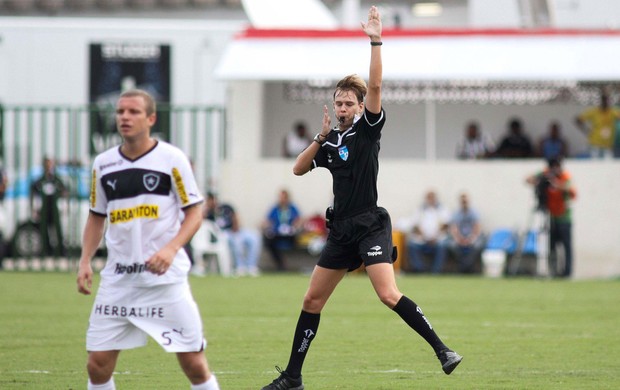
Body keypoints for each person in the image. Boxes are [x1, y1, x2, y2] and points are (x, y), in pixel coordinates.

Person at [261, 7, 462, 390]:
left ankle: (442, 350)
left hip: (370, 224)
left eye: (348, 104)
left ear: (359, 106)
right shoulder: (331, 141)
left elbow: (376, 87)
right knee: (311, 302)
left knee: (387, 294)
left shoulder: (367, 131)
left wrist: (375, 40)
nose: (342, 109)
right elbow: (298, 169)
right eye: (338, 103)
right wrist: (319, 136)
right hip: (341, 230)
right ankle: (292, 377)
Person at [76, 89, 220, 390]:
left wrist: (170, 249)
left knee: (194, 363)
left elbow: (195, 212)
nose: (124, 117)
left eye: (133, 112)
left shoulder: (172, 159)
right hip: (119, 281)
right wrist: (85, 260)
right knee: (97, 364)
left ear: (151, 118)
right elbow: (96, 216)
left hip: (165, 283)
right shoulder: (103, 164)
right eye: (120, 112)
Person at [526, 158, 577, 278]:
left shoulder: (565, 176)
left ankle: (567, 272)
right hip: (551, 217)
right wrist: (542, 178)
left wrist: (556, 183)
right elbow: (528, 180)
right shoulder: (545, 174)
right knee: (552, 246)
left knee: (566, 246)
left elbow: (572, 192)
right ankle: (553, 271)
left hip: (564, 217)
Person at [205, 192, 261, 277]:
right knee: (236, 242)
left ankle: (251, 266)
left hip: (236, 230)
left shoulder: (226, 207)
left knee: (254, 237)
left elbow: (236, 217)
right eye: (210, 200)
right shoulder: (209, 214)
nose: (213, 202)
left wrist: (236, 228)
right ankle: (240, 266)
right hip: (223, 234)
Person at [30, 156, 68, 256]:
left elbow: (64, 191)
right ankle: (46, 251)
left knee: (57, 230)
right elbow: (34, 193)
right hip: (44, 209)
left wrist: (63, 204)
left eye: (50, 164)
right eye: (47, 165)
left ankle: (60, 251)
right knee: (44, 230)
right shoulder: (40, 181)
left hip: (54, 208)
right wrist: (35, 208)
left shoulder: (56, 180)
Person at [406, 190, 451, 274]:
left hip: (437, 239)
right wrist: (424, 236)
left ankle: (436, 271)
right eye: (429, 197)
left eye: (432, 197)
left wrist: (435, 236)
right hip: (422, 239)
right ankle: (420, 269)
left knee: (443, 245)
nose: (431, 199)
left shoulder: (442, 209)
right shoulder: (420, 209)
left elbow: (445, 225)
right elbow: (415, 225)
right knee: (411, 245)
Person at [262, 189, 303, 271]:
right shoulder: (275, 209)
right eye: (280, 197)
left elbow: (299, 220)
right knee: (268, 241)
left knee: (298, 239)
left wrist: (294, 227)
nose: (281, 199)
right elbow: (267, 221)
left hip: (290, 234)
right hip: (277, 234)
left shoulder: (292, 208)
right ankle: (281, 265)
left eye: (283, 197)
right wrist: (267, 227)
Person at [575, 90, 620, 159]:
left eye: (606, 100)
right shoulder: (594, 112)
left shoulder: (612, 112)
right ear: (601, 101)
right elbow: (577, 120)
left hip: (607, 145)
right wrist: (587, 131)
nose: (605, 102)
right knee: (595, 166)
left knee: (608, 166)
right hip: (595, 145)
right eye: (603, 100)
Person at [448, 193, 485, 274]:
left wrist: (470, 239)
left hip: (472, 237)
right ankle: (465, 266)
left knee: (477, 245)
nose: (464, 203)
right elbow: (454, 228)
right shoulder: (456, 214)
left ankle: (464, 267)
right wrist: (459, 239)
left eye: (465, 201)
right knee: (452, 245)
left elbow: (477, 228)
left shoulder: (474, 213)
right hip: (459, 238)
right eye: (462, 202)